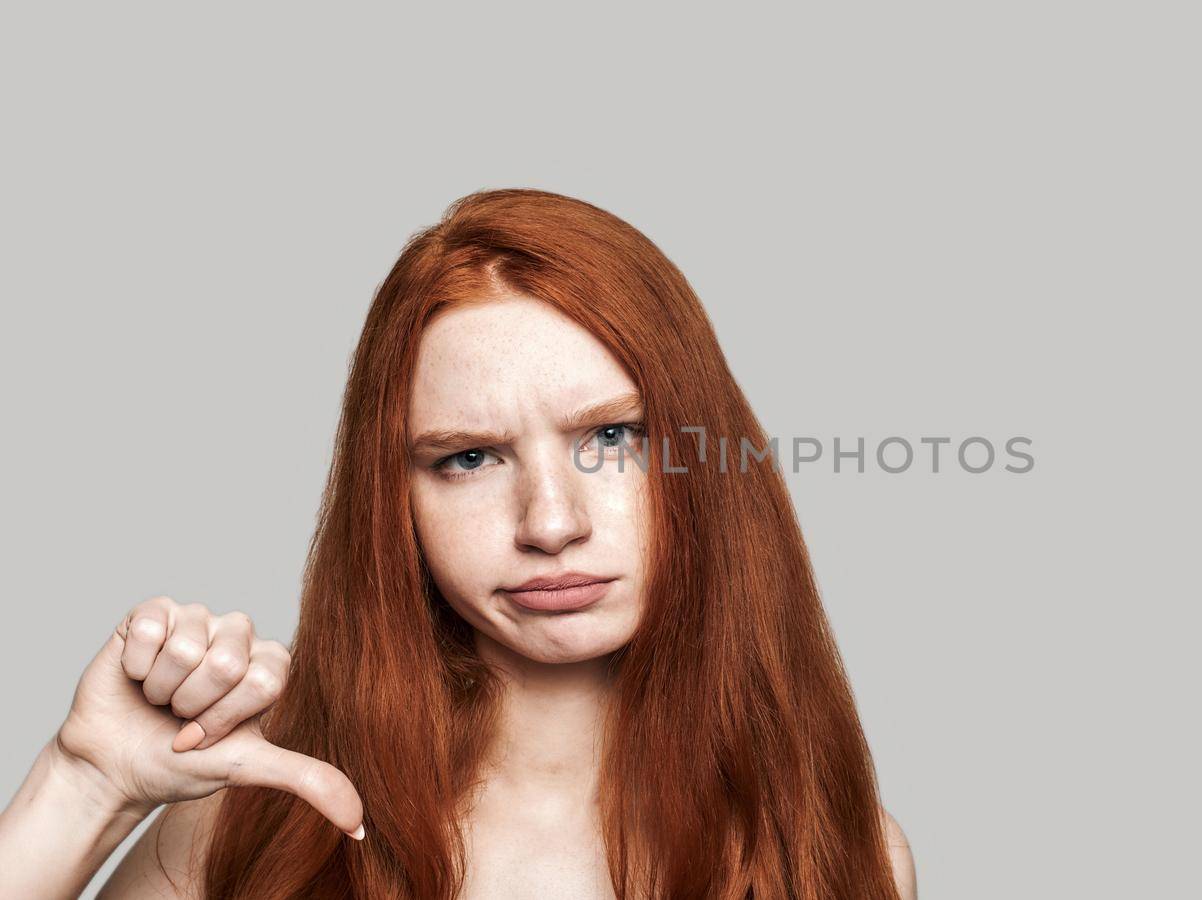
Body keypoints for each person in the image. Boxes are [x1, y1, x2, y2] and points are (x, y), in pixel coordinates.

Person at [0, 189, 916, 899]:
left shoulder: (833, 845)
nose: (551, 523)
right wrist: (81, 788)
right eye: (469, 457)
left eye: (612, 439)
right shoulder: (251, 817)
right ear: (392, 501)